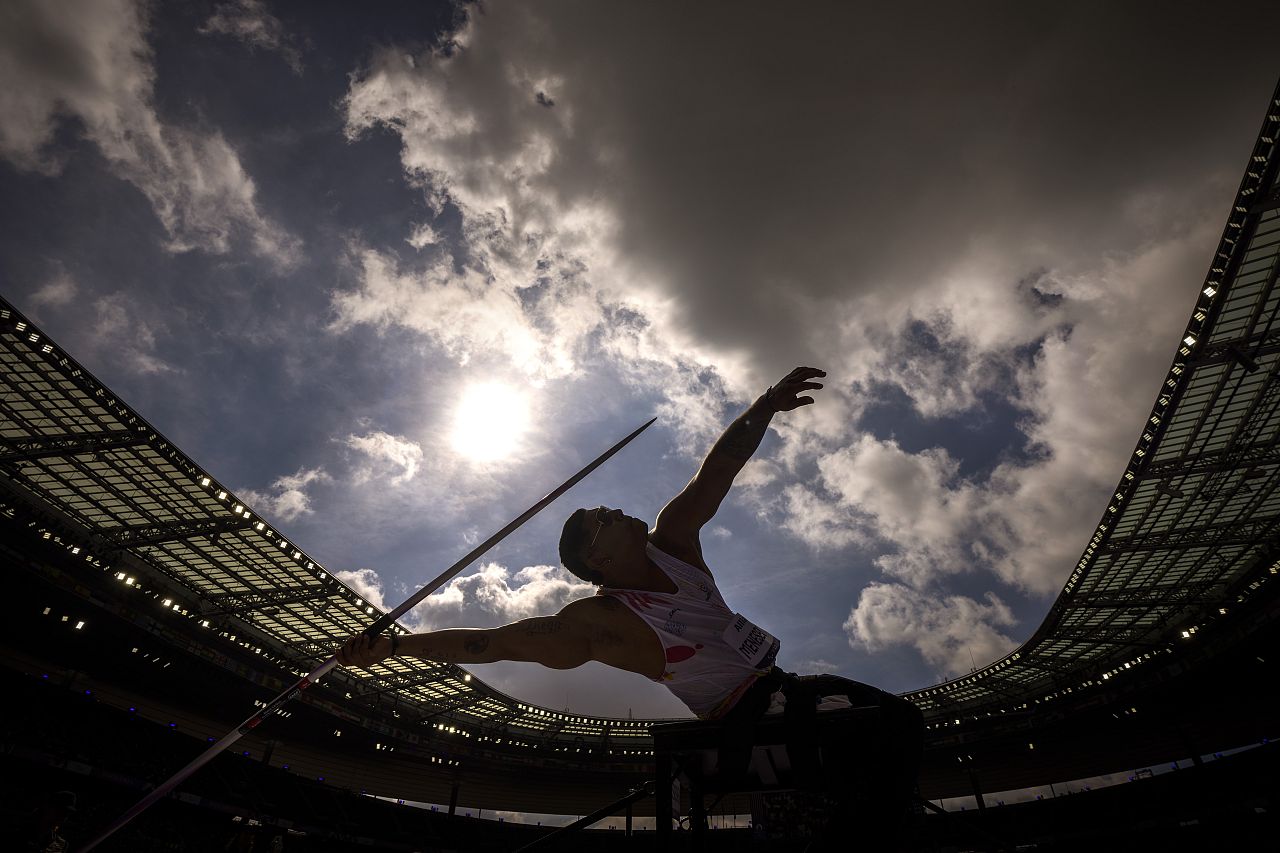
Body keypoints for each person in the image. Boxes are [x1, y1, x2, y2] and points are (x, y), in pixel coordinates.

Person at [338, 366, 922, 839]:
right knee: (871, 749)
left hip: (784, 685)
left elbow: (717, 472)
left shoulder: (674, 544)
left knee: (902, 721)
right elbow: (490, 642)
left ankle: (838, 816)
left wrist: (763, 406)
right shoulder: (600, 621)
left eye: (606, 508)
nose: (615, 510)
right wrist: (391, 645)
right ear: (597, 561)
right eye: (602, 520)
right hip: (741, 713)